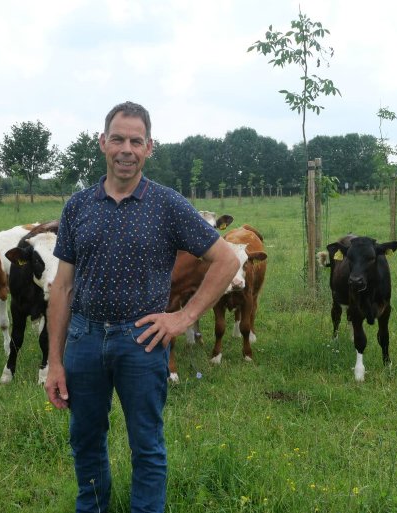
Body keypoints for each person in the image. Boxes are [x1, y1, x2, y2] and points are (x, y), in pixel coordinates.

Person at [45, 101, 239, 513]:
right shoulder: (77, 206)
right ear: (102, 143)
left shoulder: (168, 205)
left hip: (143, 341)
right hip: (84, 338)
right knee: (85, 439)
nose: (126, 149)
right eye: (118, 139)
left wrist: (185, 316)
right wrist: (55, 361)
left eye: (136, 140)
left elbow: (227, 260)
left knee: (146, 445)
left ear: (150, 147)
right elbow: (61, 288)